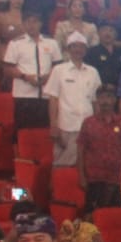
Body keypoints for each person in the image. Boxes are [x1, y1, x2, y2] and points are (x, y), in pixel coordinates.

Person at [43, 31, 101, 165]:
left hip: (88, 126)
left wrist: (98, 125)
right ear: (68, 49)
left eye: (81, 46)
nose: (78, 50)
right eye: (74, 46)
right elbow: (53, 99)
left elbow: (95, 101)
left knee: (87, 164)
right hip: (66, 126)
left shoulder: (93, 72)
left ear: (85, 50)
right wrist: (53, 125)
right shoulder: (59, 70)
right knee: (63, 165)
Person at [79, 86, 121, 211]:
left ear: (114, 100)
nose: (105, 101)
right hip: (94, 179)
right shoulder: (88, 122)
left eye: (109, 97)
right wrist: (81, 176)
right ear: (97, 100)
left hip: (118, 178)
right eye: (102, 97)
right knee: (93, 215)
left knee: (115, 214)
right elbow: (81, 150)